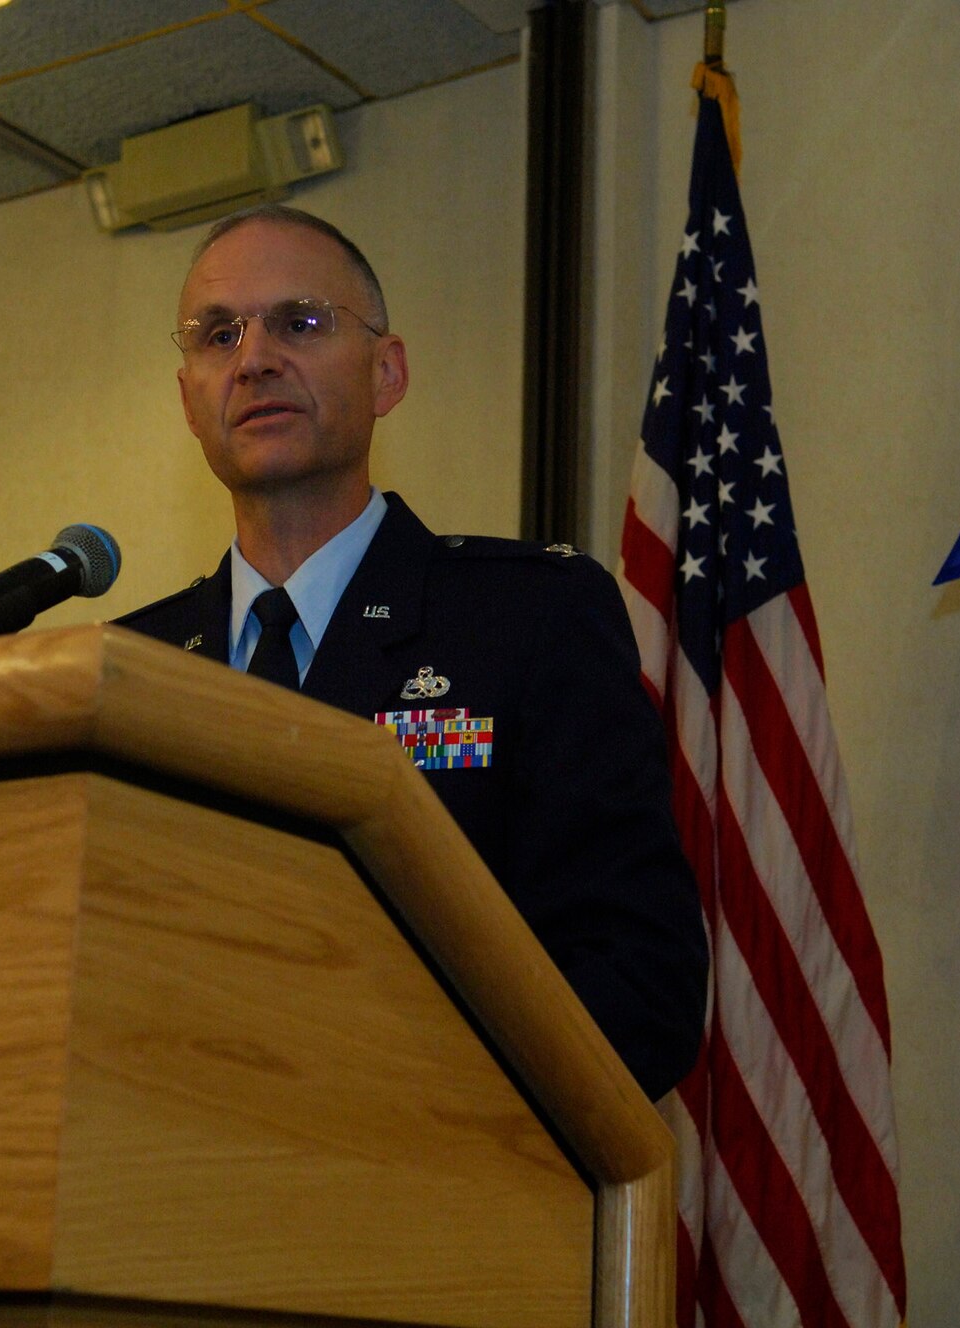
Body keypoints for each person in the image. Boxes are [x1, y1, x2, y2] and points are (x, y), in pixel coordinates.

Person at [116, 204, 706, 1098]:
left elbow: (638, 987)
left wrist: (377, 1081)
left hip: (442, 1183)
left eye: (300, 322)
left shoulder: (528, 618)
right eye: (219, 335)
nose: (255, 358)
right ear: (187, 398)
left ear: (387, 373)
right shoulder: (131, 669)